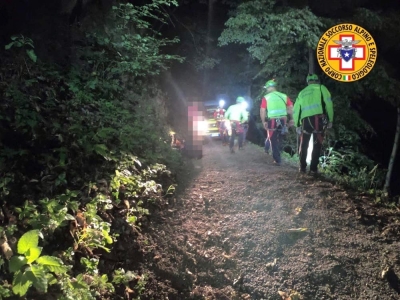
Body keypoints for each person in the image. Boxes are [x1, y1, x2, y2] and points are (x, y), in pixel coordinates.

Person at [294, 74, 333, 175]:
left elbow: (296, 110)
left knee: (304, 144)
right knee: (317, 144)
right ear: (317, 80)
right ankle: (313, 169)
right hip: (317, 119)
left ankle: (302, 167)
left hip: (305, 120)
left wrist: (297, 124)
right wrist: (330, 120)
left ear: (308, 82)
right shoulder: (321, 88)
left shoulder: (302, 92)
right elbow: (329, 104)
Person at [260, 79, 294, 165]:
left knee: (273, 139)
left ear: (270, 87)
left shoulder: (266, 97)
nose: (266, 89)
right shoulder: (284, 96)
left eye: (267, 88)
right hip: (283, 120)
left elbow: (262, 110)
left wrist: (263, 121)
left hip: (272, 121)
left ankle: (277, 159)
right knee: (281, 138)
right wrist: (292, 119)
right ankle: (279, 155)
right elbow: (291, 108)